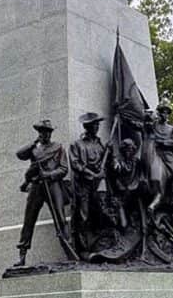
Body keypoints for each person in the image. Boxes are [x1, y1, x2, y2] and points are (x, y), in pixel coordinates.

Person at [14, 119, 76, 266]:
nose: (44, 134)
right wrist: (33, 143)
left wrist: (48, 175)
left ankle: (69, 251)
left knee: (61, 218)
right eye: (41, 131)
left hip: (53, 185)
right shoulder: (34, 149)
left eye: (47, 131)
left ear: (51, 133)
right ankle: (22, 255)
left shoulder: (58, 147)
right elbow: (19, 154)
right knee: (29, 220)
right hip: (36, 187)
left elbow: (63, 169)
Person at [69, 112, 108, 250]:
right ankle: (82, 245)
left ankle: (98, 242)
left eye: (98, 124)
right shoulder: (76, 145)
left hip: (98, 184)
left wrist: (111, 152)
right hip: (83, 185)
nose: (97, 126)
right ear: (87, 126)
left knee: (100, 212)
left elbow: (107, 162)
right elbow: (75, 164)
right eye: (94, 124)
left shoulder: (100, 144)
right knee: (83, 214)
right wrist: (92, 174)